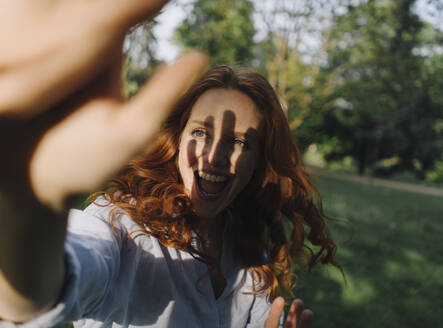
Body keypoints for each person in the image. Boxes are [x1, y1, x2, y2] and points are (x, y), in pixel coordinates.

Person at [0, 1, 339, 328]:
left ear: (258, 159)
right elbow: (29, 297)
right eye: (201, 132)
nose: (214, 155)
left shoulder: (250, 243)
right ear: (177, 140)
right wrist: (32, 203)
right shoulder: (120, 225)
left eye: (238, 141)